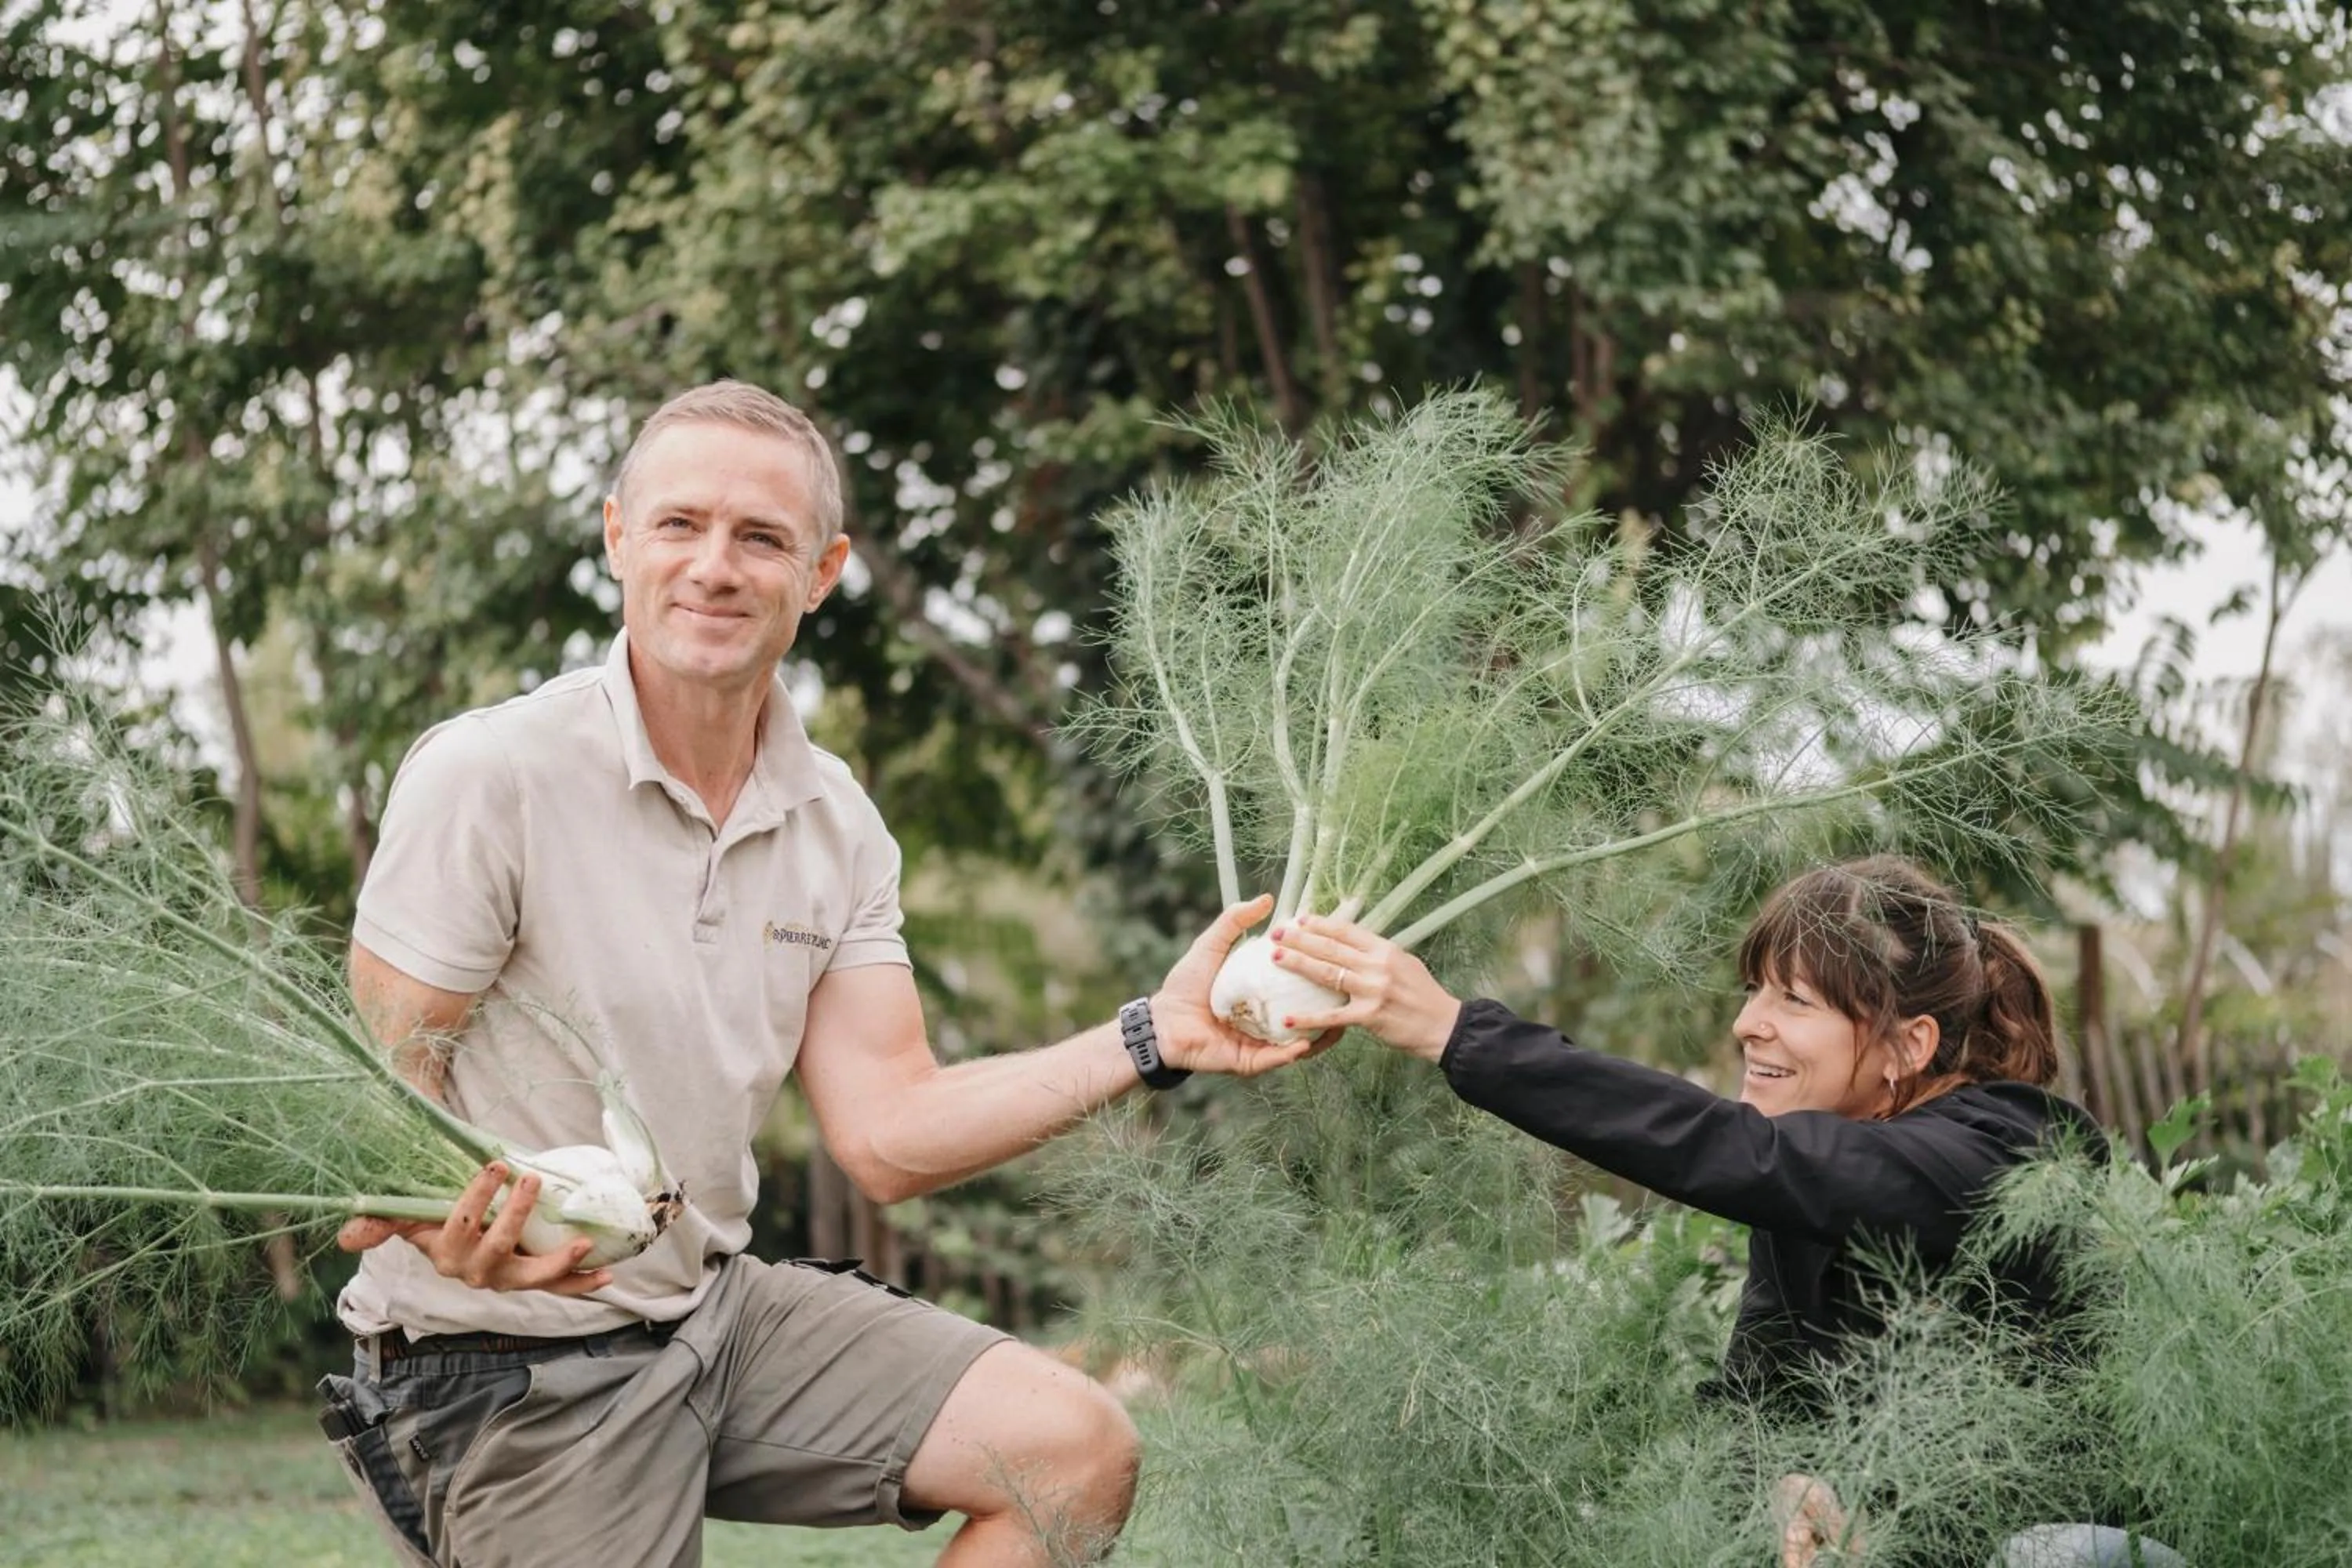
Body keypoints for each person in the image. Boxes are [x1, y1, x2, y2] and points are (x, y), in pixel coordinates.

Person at [318, 379, 1323, 1568]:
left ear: (824, 570)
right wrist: (446, 1238)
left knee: (1070, 1447)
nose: (715, 567)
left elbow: (891, 1132)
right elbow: (365, 1123)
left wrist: (1154, 1032)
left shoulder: (833, 818)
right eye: (680, 525)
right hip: (501, 1364)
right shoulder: (493, 774)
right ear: (617, 538)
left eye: (762, 538)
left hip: (710, 1315)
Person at [1266, 855, 2176, 1568]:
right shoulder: (1812, 1166)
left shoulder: (2000, 1151)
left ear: (1910, 1044)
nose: (1747, 1023)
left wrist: (1459, 1034)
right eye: (1754, 989)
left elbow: (1739, 1151)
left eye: (1794, 999)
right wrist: (1793, 1482)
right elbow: (1751, 1405)